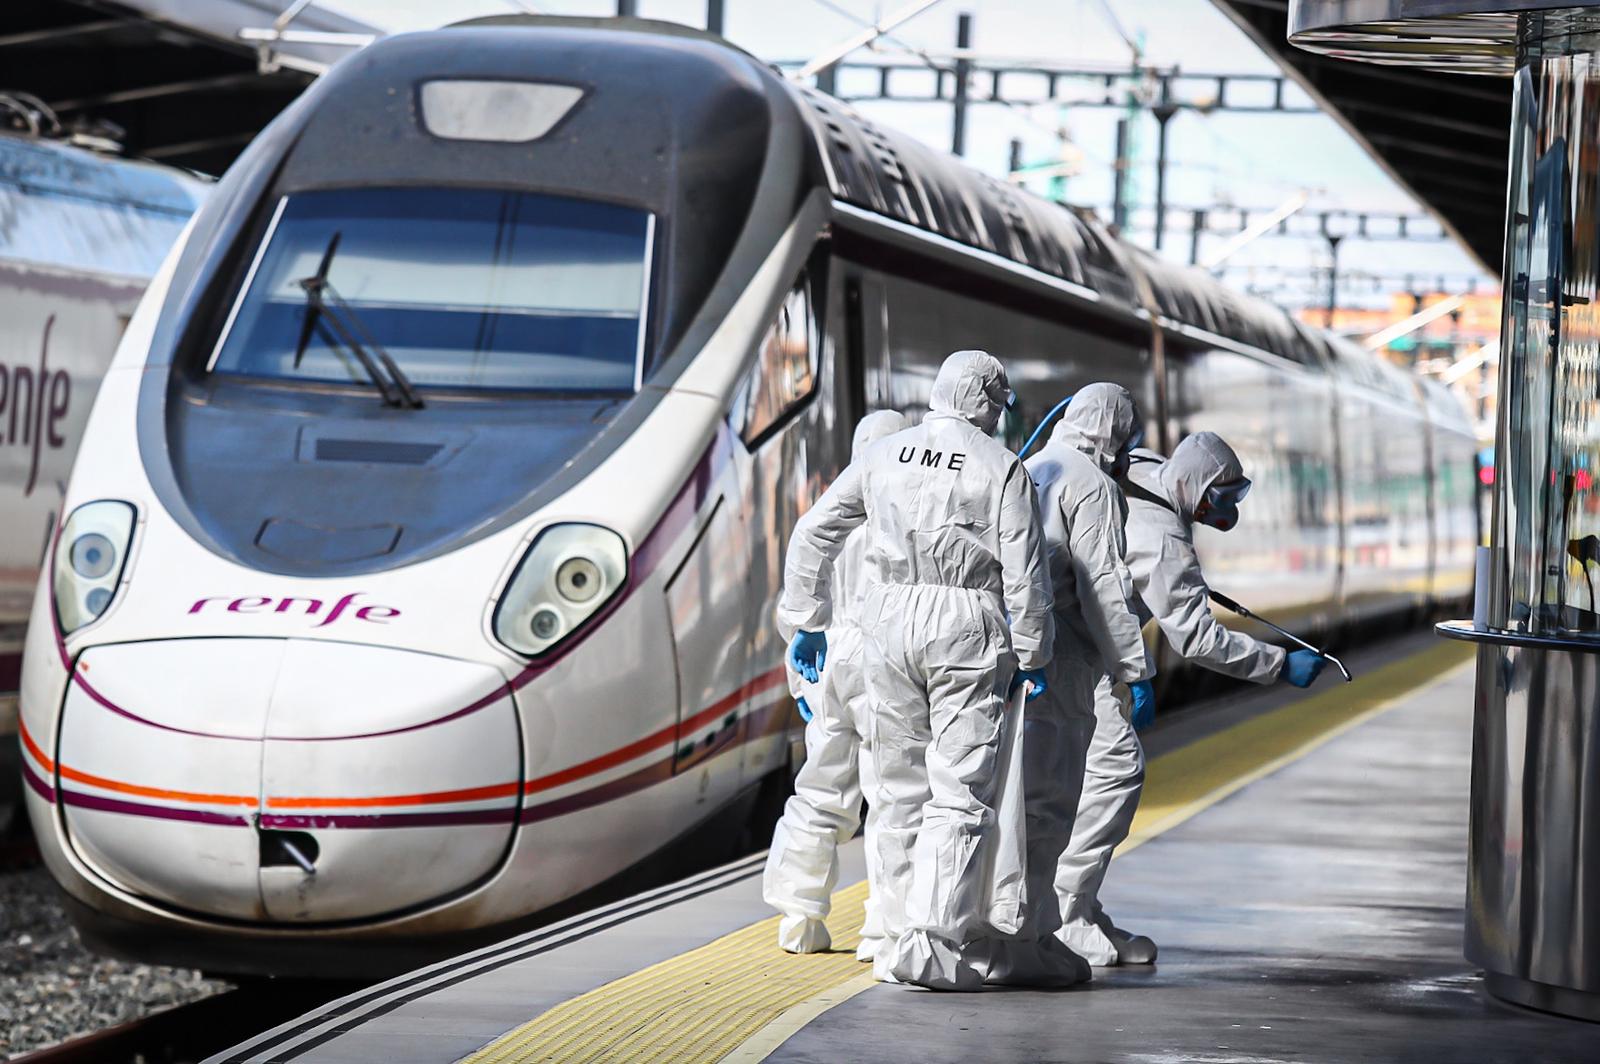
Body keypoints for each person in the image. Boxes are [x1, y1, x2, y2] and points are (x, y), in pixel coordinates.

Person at [777, 350, 1054, 991]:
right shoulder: (1001, 467)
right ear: (984, 397)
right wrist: (1035, 654)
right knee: (958, 789)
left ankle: (893, 936)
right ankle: (933, 942)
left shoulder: (883, 455)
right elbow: (1024, 573)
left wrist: (807, 619)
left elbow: (814, 532)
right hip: (966, 623)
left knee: (896, 789)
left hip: (887, 618)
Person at [1054, 430, 1326, 967]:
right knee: (1114, 773)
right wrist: (1277, 664)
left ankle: (1073, 903)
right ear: (1199, 487)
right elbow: (1196, 638)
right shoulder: (1163, 537)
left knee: (1077, 779)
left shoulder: (1151, 472)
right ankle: (1066, 915)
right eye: (1221, 498)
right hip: (1086, 653)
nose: (1224, 512)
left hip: (1083, 645)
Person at [983, 382, 1151, 986]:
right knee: (1051, 806)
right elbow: (1103, 584)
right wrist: (1133, 669)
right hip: (1065, 663)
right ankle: (1028, 942)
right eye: (1126, 438)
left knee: (1011, 803)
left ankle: (1016, 930)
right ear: (1110, 433)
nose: (1129, 453)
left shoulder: (1031, 466)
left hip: (1014, 656)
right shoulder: (1092, 485)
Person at [763, 409, 909, 959]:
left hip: (828, 664)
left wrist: (801, 684)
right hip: (882, 664)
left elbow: (797, 604)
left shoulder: (828, 514)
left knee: (820, 792)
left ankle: (798, 919)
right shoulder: (901, 519)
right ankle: (883, 927)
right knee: (891, 794)